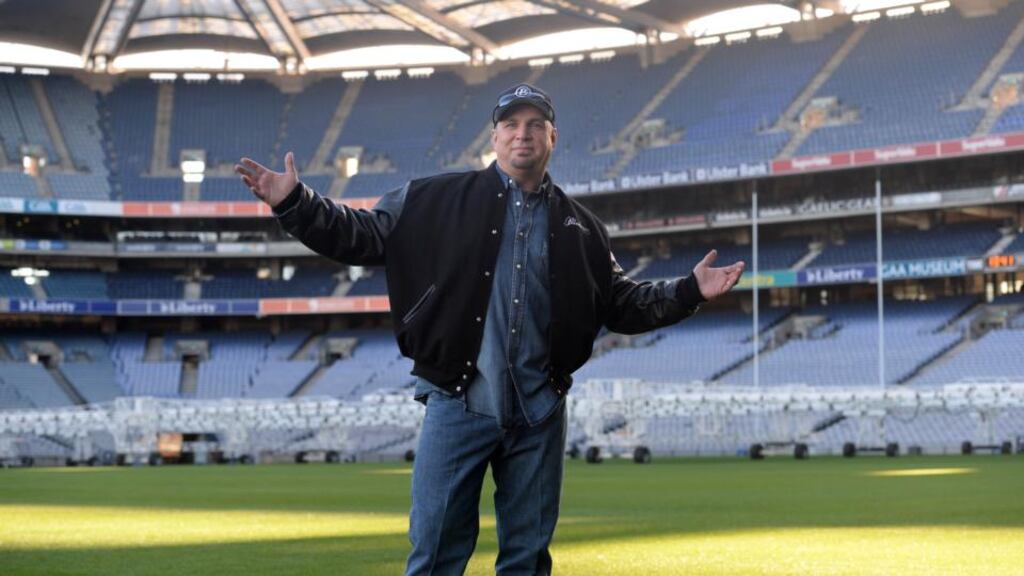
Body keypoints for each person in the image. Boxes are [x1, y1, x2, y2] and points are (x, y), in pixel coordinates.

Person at [235, 83, 745, 575]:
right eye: (510, 125)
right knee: (435, 552)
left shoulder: (582, 227)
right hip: (457, 399)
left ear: (552, 138)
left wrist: (688, 292)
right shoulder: (431, 198)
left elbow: (622, 304)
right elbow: (360, 235)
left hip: (539, 410)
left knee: (527, 559)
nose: (522, 134)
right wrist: (295, 204)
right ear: (494, 137)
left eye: (536, 125)